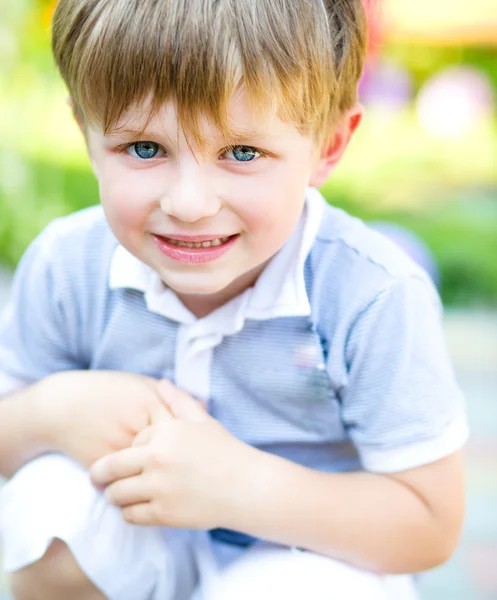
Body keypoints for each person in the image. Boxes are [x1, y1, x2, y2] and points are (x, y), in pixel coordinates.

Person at [0, 1, 467, 599]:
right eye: (144, 148)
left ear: (328, 146)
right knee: (48, 507)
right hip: (147, 543)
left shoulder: (371, 295)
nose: (188, 203)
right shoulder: (68, 265)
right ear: (85, 132)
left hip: (309, 559)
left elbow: (429, 523)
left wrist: (239, 487)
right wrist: (54, 411)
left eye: (242, 153)